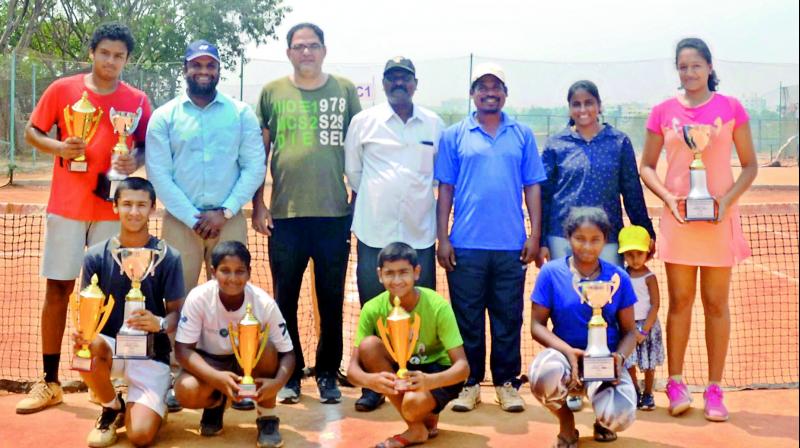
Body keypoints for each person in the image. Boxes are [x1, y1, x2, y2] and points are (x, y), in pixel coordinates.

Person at [17, 22, 151, 414]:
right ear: (91, 53)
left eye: (119, 56)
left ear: (127, 60)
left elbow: (144, 147)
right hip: (67, 207)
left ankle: (99, 380)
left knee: (110, 297)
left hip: (113, 213)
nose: (111, 61)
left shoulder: (138, 100)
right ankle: (50, 381)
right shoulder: (62, 90)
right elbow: (32, 132)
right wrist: (60, 145)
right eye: (105, 53)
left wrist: (134, 159)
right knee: (58, 290)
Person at [639, 37, 758, 421]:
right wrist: (669, 201)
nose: (689, 73)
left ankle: (715, 389)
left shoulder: (732, 109)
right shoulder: (662, 112)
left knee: (716, 304)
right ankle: (675, 383)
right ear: (677, 70)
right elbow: (647, 166)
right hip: (679, 220)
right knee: (681, 302)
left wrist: (727, 201)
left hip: (719, 220)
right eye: (683, 66)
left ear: (709, 67)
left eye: (696, 65)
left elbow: (751, 165)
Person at [146, 39, 266, 412]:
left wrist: (226, 211)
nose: (203, 71)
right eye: (196, 65)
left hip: (227, 221)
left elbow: (254, 166)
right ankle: (172, 377)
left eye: (209, 65)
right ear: (185, 68)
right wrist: (192, 216)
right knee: (174, 301)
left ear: (218, 70)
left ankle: (235, 374)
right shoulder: (164, 115)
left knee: (232, 297)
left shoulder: (241, 112)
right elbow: (159, 174)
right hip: (180, 222)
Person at [253, 22, 362, 404]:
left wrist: (356, 196)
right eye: (299, 47)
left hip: (334, 216)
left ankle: (328, 372)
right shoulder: (271, 92)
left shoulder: (345, 90)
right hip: (285, 216)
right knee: (285, 300)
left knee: (330, 299)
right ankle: (291, 373)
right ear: (289, 53)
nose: (306, 53)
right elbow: (258, 154)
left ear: (324, 50)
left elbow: (358, 147)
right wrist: (259, 204)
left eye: (313, 46)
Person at [435, 62, 546, 412]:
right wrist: (443, 237)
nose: (489, 92)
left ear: (505, 93)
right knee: (466, 318)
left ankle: (506, 383)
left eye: (496, 86)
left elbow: (532, 187)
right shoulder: (455, 134)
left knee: (507, 317)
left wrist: (534, 233)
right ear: (472, 94)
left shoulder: (522, 134)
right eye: (482, 87)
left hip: (511, 245)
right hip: (465, 244)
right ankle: (468, 383)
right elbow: (446, 190)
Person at [344, 56, 445, 411]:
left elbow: (437, 177)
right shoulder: (363, 122)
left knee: (419, 313)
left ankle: (418, 382)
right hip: (374, 233)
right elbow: (353, 172)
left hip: (419, 235)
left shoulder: (434, 124)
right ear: (384, 84)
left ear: (415, 83)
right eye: (392, 79)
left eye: (405, 78)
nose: (398, 84)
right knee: (375, 311)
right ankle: (375, 385)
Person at [72, 177, 184, 447]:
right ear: (115, 207)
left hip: (151, 354)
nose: (134, 212)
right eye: (127, 204)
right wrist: (83, 335)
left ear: (153, 208)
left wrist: (158, 323)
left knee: (140, 437)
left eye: (141, 205)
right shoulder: (96, 256)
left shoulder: (169, 256)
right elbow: (89, 311)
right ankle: (112, 406)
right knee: (86, 350)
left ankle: (154, 402)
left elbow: (178, 314)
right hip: (112, 348)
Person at [529, 207, 638, 447]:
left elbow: (630, 331)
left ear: (605, 241)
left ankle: (602, 421)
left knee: (621, 416)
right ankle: (566, 422)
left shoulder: (618, 277)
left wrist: (618, 358)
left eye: (595, 240)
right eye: (580, 239)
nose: (587, 247)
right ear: (568, 238)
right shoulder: (550, 273)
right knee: (541, 378)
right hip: (565, 359)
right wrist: (568, 352)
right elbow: (536, 325)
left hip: (605, 360)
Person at [346, 242, 468, 448]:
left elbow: (463, 368)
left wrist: (430, 381)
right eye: (389, 273)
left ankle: (425, 411)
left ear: (417, 272)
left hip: (437, 372)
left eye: (404, 272)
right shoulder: (372, 308)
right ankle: (417, 427)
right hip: (403, 370)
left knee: (412, 405)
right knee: (369, 346)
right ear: (379, 275)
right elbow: (352, 371)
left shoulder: (437, 305)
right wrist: (371, 380)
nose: (397, 280)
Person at [174, 241, 295, 448]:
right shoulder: (198, 297)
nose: (232, 278)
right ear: (213, 272)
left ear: (249, 272)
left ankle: (267, 417)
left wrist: (278, 383)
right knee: (185, 390)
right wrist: (216, 378)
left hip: (248, 364)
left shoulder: (263, 303)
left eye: (240, 271)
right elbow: (182, 350)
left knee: (267, 349)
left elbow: (288, 353)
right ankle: (217, 403)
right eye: (225, 271)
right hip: (211, 362)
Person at [538, 80, 655, 268]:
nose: (583, 109)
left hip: (607, 238)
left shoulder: (618, 142)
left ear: (599, 106)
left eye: (589, 102)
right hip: (562, 238)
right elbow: (544, 195)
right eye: (576, 104)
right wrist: (541, 240)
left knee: (607, 295)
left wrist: (646, 231)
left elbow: (632, 191)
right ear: (569, 109)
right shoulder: (556, 144)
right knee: (567, 296)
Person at [618, 225, 663, 411]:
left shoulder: (650, 277)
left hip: (648, 327)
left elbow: (655, 304)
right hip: (628, 327)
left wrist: (644, 329)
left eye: (639, 254)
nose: (635, 259)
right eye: (629, 254)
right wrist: (630, 329)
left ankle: (648, 393)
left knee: (649, 362)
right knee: (630, 362)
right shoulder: (622, 276)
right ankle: (635, 390)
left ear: (648, 253)